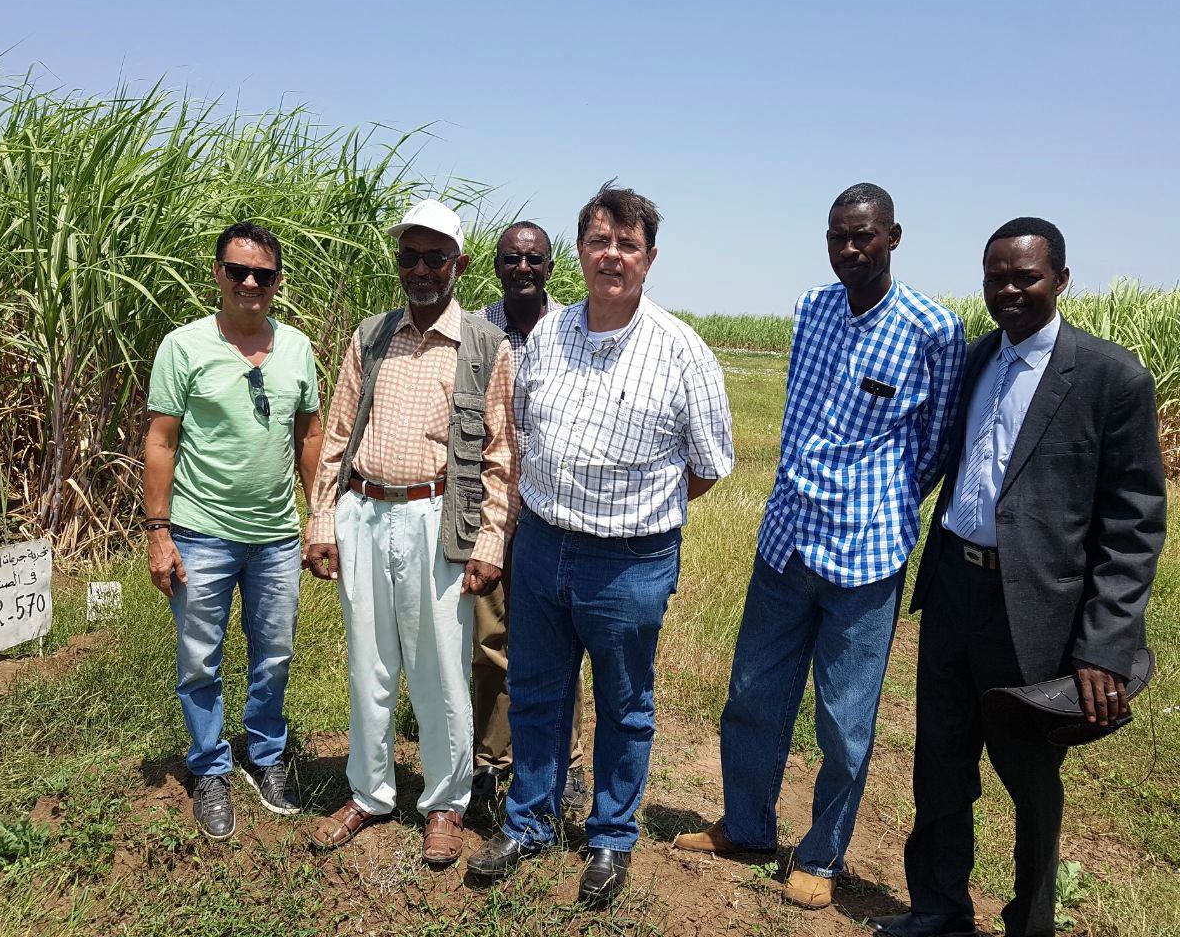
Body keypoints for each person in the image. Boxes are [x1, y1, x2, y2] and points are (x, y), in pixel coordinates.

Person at [870, 219, 1166, 937]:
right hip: (954, 594)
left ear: (1061, 280)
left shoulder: (1109, 377)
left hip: (1035, 612)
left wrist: (1104, 647)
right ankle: (939, 908)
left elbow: (1135, 524)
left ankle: (1030, 923)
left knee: (1030, 781)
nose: (1007, 290)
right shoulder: (976, 359)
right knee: (940, 766)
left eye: (1024, 277)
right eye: (995, 276)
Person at [676, 183, 965, 910]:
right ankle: (746, 825)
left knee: (844, 722)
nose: (849, 250)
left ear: (894, 237)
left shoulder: (933, 328)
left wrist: (884, 506)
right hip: (786, 543)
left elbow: (934, 449)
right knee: (751, 696)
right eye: (837, 236)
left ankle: (821, 854)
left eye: (863, 236)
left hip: (865, 558)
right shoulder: (810, 309)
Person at [469, 182, 735, 904]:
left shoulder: (682, 351)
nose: (610, 256)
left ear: (649, 258)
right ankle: (528, 822)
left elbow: (708, 467)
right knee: (536, 691)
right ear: (580, 252)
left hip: (630, 563)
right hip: (544, 545)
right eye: (598, 242)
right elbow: (521, 429)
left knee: (624, 703)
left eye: (627, 244)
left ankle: (612, 837)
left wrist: (633, 512)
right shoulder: (546, 338)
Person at [303, 199, 518, 866]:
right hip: (363, 514)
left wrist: (488, 544)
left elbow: (500, 458)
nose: (420, 269)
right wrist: (322, 523)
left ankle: (446, 803)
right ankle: (368, 794)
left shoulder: (484, 345)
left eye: (434, 257)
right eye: (409, 256)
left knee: (440, 671)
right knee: (368, 664)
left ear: (460, 263)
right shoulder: (371, 335)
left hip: (434, 521)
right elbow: (338, 435)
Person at [144, 221, 323, 841]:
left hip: (275, 535)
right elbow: (161, 440)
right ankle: (211, 767)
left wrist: (317, 514)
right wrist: (158, 531)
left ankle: (266, 755)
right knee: (200, 660)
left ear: (276, 281)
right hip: (201, 531)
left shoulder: (297, 349)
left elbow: (310, 436)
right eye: (238, 271)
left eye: (263, 274)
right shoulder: (183, 347)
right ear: (218, 274)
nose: (250, 282)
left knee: (274, 655)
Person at [471, 220, 588, 814]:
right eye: (512, 258)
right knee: (491, 641)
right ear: (497, 265)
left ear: (549, 266)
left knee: (555, 644)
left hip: (552, 513)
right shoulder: (476, 331)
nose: (523, 268)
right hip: (490, 510)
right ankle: (489, 762)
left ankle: (561, 762)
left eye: (534, 259)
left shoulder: (574, 328)